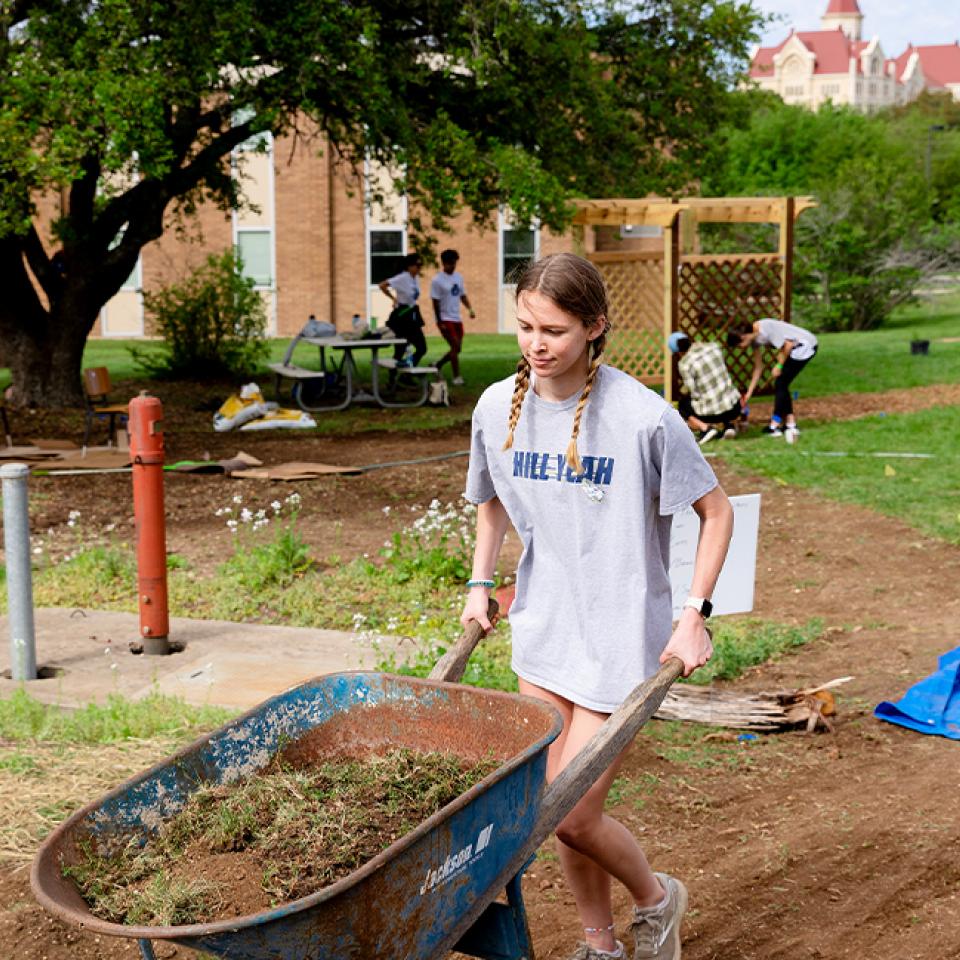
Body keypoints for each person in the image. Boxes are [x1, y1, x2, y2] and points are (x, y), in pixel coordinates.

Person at [461, 253, 733, 960]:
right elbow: (490, 504)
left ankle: (656, 898)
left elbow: (717, 510)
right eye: (524, 327)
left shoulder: (643, 417)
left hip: (619, 638)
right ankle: (599, 944)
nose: (536, 344)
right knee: (556, 814)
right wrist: (478, 585)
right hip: (544, 631)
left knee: (572, 813)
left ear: (595, 326)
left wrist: (695, 612)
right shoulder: (496, 406)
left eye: (553, 329)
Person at [726, 318, 818, 443]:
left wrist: (779, 366)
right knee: (782, 383)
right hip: (794, 349)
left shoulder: (766, 328)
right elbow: (758, 368)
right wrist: (749, 392)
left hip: (805, 346)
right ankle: (790, 424)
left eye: (739, 345)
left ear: (743, 337)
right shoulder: (755, 340)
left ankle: (775, 425)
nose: (740, 348)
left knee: (781, 383)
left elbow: (788, 345)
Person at [667, 331, 742, 446]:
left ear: (678, 352)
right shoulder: (713, 347)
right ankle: (729, 426)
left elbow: (692, 391)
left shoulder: (684, 364)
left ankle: (706, 429)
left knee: (683, 405)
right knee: (721, 391)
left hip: (711, 414)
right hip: (735, 407)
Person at [430, 248, 475, 385]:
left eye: (454, 262)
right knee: (455, 346)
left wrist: (470, 308)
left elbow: (462, 295)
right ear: (443, 263)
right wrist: (439, 321)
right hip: (444, 318)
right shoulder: (437, 280)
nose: (452, 265)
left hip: (456, 318)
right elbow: (435, 302)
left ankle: (437, 364)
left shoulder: (458, 277)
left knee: (458, 348)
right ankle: (457, 377)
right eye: (450, 263)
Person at [379, 253, 427, 367]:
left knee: (421, 348)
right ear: (409, 266)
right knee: (401, 349)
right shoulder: (403, 277)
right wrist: (393, 298)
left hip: (412, 313)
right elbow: (382, 285)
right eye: (417, 265)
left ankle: (406, 372)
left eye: (421, 265)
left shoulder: (415, 278)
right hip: (402, 315)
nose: (419, 268)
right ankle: (394, 378)